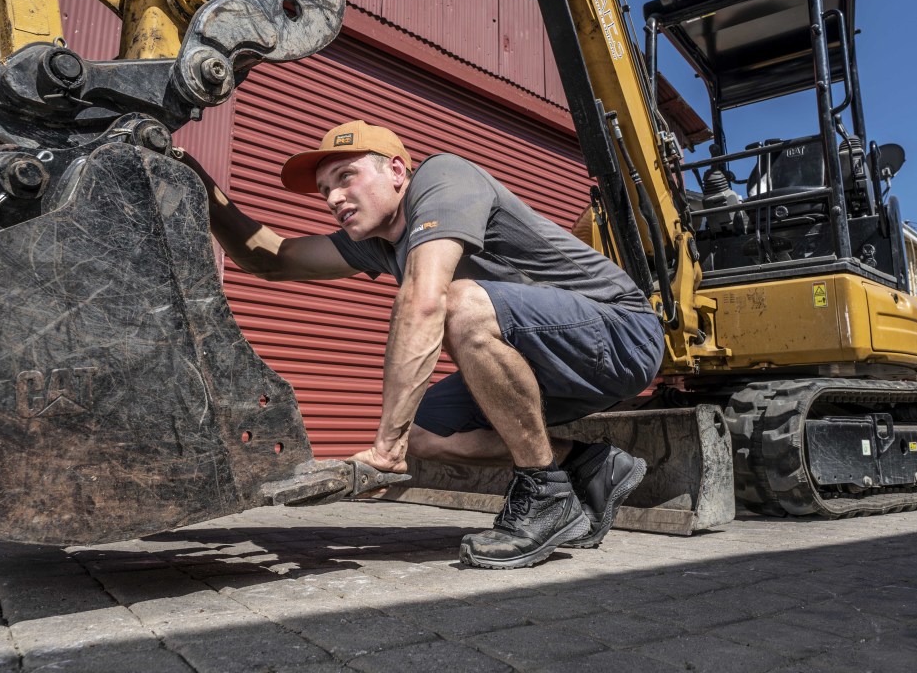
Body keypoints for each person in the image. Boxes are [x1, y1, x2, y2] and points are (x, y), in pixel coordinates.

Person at [177, 119, 664, 569]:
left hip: (622, 333)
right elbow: (274, 259)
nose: (333, 197)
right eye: (325, 190)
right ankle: (586, 465)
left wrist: (385, 448)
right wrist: (194, 181)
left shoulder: (444, 178)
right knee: (427, 434)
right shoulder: (377, 240)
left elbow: (425, 301)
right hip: (549, 364)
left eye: (346, 177)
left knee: (456, 302)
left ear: (396, 171)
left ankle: (545, 496)